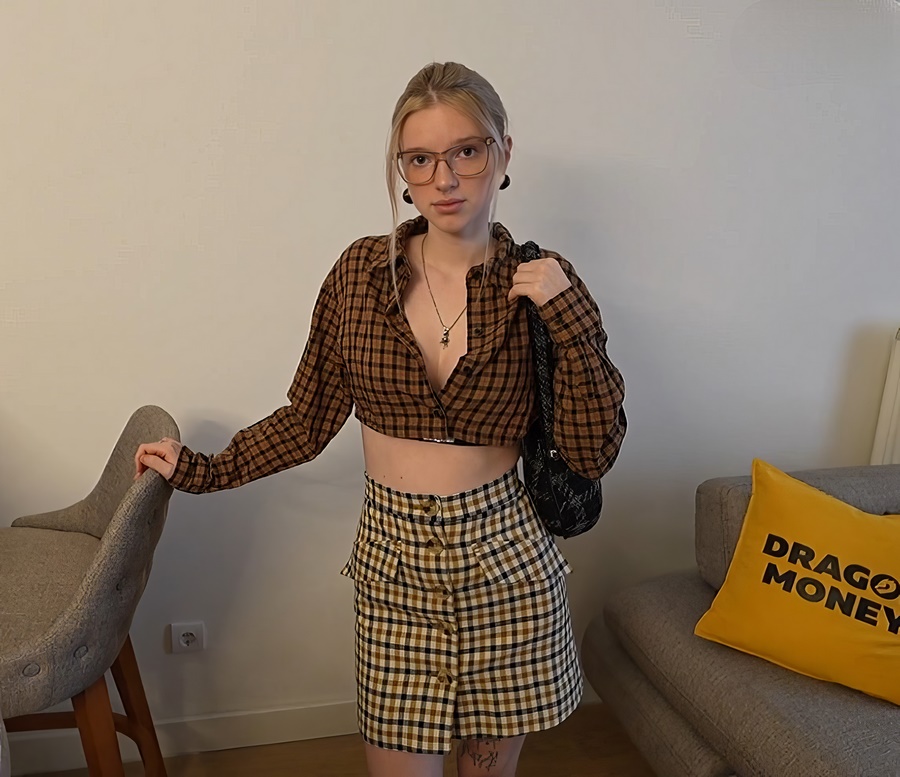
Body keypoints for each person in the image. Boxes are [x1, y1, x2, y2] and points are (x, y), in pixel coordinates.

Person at [135, 61, 626, 777]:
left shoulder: (543, 283)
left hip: (507, 563)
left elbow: (591, 450)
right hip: (394, 562)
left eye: (466, 151)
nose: (444, 178)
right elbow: (308, 419)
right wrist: (204, 470)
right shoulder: (360, 276)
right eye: (419, 159)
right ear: (402, 168)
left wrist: (568, 313)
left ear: (503, 153)